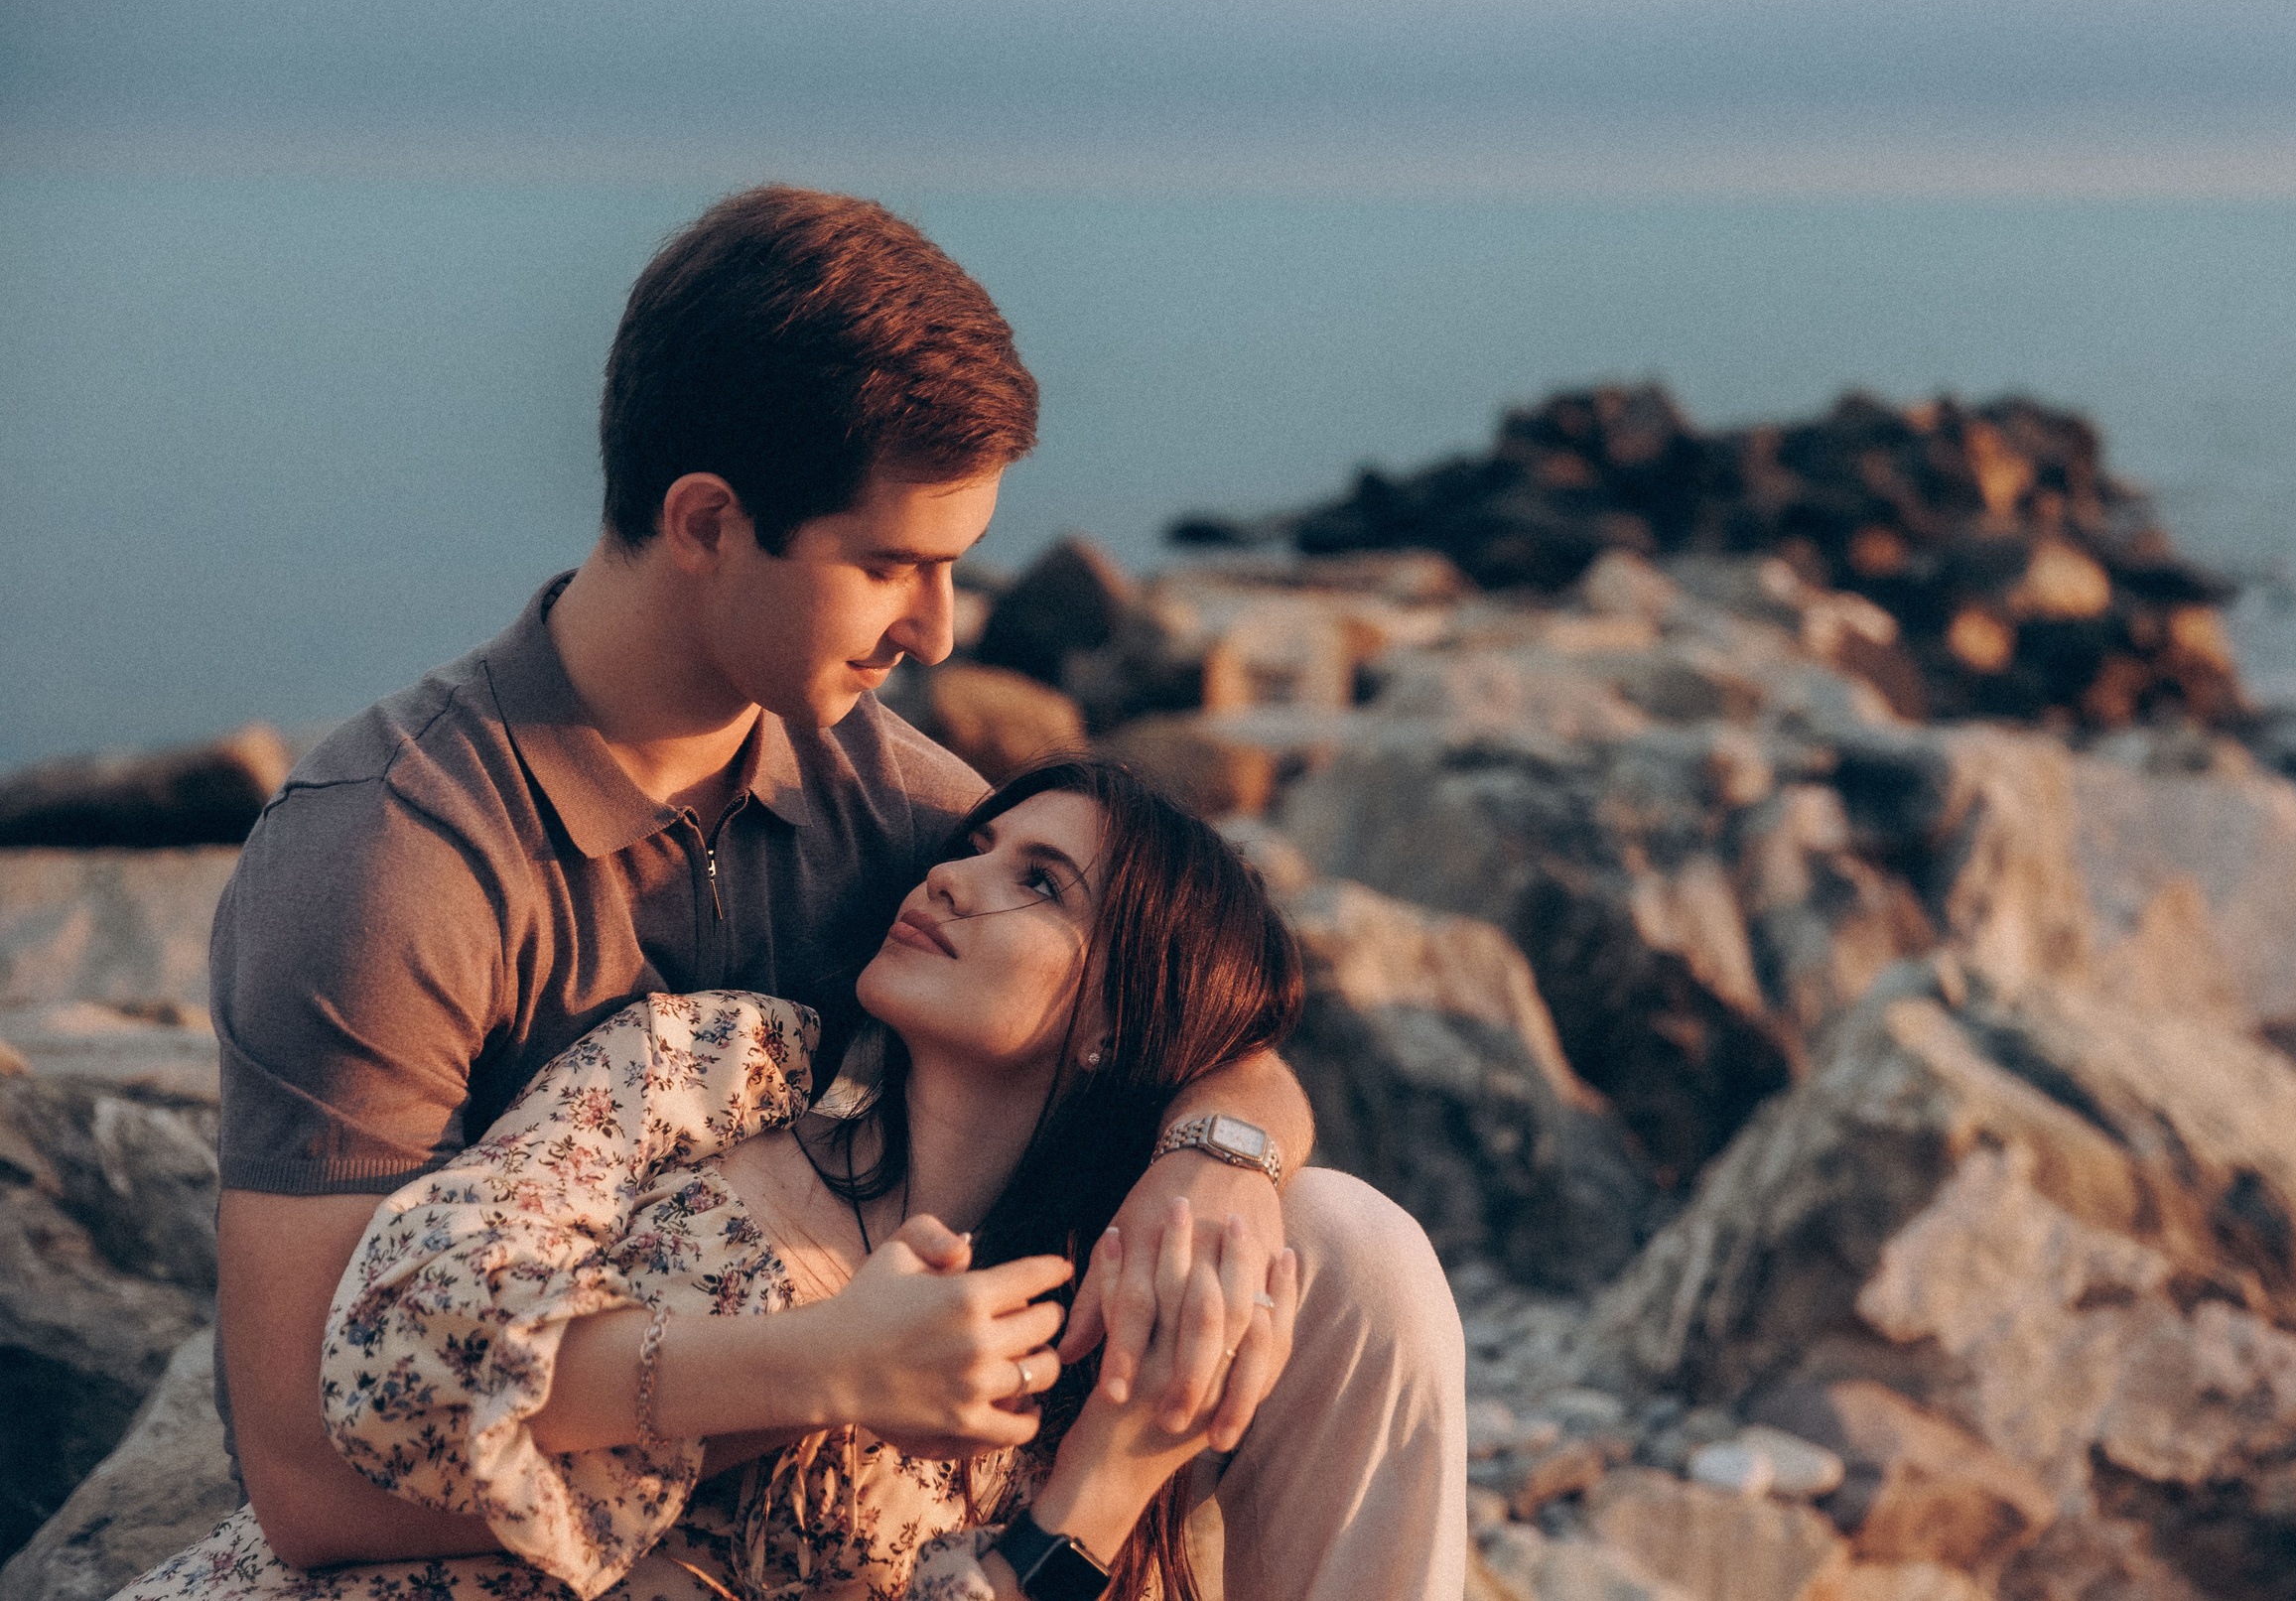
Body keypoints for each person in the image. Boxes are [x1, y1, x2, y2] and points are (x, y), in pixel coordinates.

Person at [204, 187, 1465, 1597]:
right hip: (512, 1496)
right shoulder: (392, 862)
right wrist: (830, 1378)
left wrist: (1216, 1162)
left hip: (882, 1415)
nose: (934, 629)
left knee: (1345, 1254)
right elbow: (315, 1478)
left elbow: (1195, 1005)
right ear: (706, 523)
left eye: (953, 568)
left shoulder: (908, 813)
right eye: (891, 566)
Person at [125, 757, 1463, 1601]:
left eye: (1040, 884)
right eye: (981, 844)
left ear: (1121, 1021)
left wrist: (1102, 1488)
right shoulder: (721, 1069)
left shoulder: (1057, 1368)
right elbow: (388, 1350)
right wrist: (825, 1363)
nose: (956, 876)